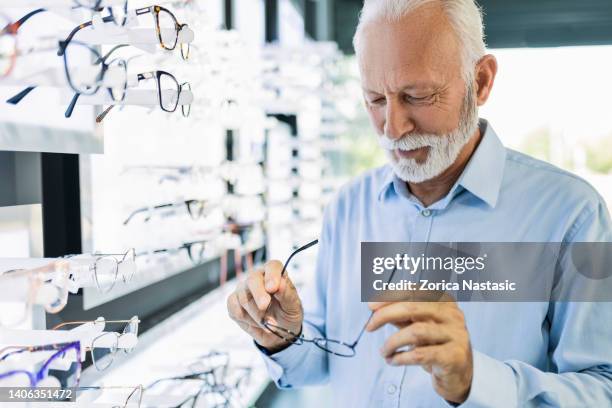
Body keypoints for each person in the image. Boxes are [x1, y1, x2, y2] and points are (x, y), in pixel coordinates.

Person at [227, 0, 612, 406]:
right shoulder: (348, 206)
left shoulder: (571, 214)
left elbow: (603, 388)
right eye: (375, 99)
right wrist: (282, 335)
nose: (393, 128)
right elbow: (323, 361)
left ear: (480, 81)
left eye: (418, 96)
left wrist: (474, 379)